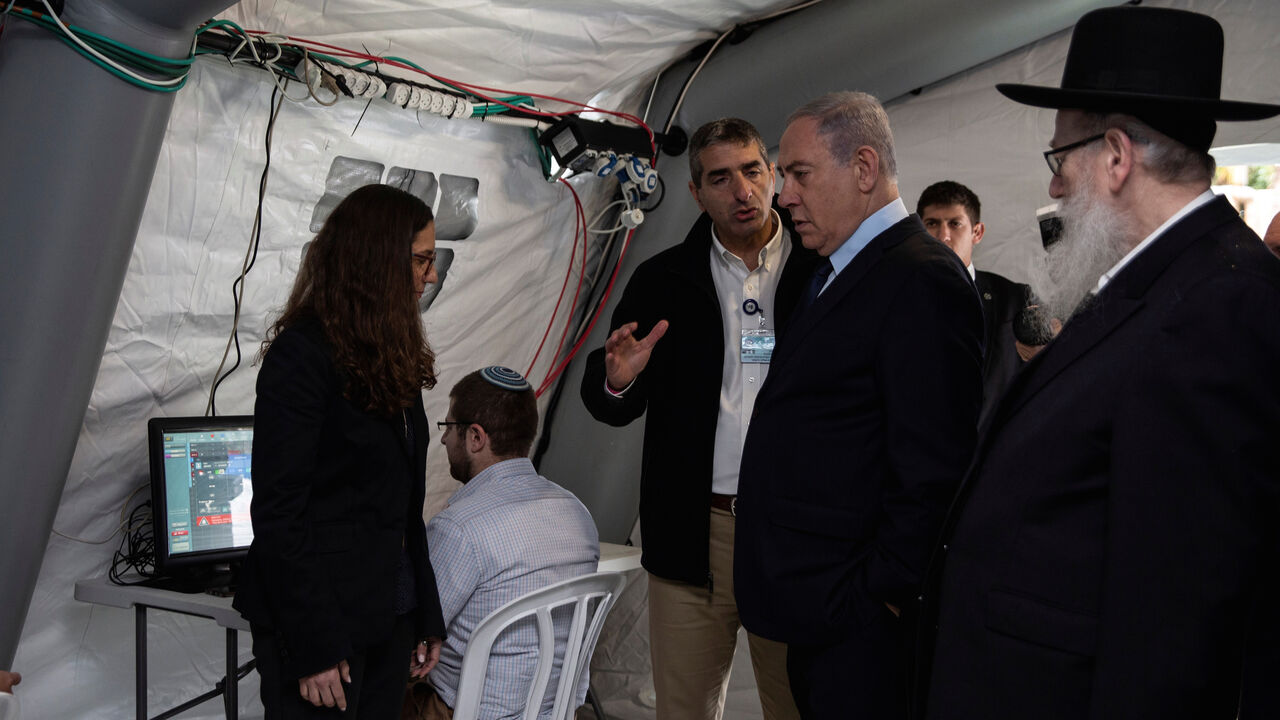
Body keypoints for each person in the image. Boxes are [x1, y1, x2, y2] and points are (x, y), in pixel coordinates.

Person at [919, 7, 1280, 720]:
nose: (1055, 187)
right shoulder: (1156, 280)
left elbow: (1181, 619)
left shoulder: (1220, 306)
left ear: (1116, 156)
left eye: (1061, 159)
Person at [733, 91, 984, 719]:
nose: (782, 195)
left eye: (798, 174)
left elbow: (934, 469)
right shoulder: (835, 267)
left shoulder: (921, 277)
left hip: (861, 626)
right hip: (823, 614)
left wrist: (878, 597)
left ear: (864, 168)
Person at [579, 117, 816, 720]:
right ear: (696, 193)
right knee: (682, 710)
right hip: (694, 534)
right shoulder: (664, 279)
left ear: (772, 173)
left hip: (793, 536)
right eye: (720, 178)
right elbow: (611, 402)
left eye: (752, 171)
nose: (741, 191)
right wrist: (619, 378)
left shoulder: (821, 269)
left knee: (800, 705)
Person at [233, 184, 447, 718]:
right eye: (423, 260)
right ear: (378, 261)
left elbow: (404, 508)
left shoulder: (391, 352)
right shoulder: (302, 356)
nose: (432, 275)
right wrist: (315, 647)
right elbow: (280, 513)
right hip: (322, 625)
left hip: (387, 614)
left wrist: (425, 613)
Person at [405, 366, 599, 720]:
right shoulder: (578, 514)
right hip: (554, 712)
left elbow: (412, 638)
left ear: (476, 437)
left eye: (449, 428)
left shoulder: (459, 528)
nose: (445, 440)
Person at [917, 180, 1033, 427]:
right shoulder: (892, 299)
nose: (943, 236)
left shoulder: (1016, 299)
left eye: (955, 223)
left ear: (977, 233)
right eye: (932, 223)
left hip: (997, 457)